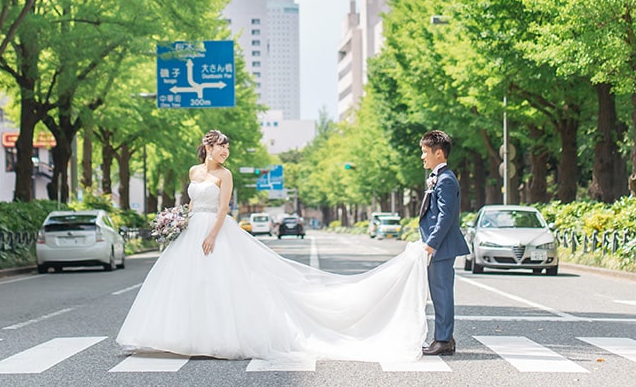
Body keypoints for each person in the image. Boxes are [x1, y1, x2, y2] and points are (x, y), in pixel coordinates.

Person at [116, 129, 429, 362]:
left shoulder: (225, 175)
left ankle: (215, 337)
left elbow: (223, 209)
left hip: (215, 230)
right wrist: (178, 221)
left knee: (219, 282)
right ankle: (179, 336)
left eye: (227, 149)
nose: (225, 153)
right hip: (191, 229)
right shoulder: (194, 171)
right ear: (208, 147)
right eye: (221, 148)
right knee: (186, 284)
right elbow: (190, 200)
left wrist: (211, 234)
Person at [418, 129, 470, 356]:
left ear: (439, 153)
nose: (422, 157)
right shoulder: (439, 177)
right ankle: (442, 338)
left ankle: (444, 340)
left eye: (425, 152)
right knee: (439, 292)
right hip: (438, 246)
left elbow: (446, 216)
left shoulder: (446, 179)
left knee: (442, 293)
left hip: (441, 247)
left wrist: (431, 244)